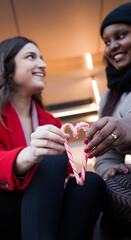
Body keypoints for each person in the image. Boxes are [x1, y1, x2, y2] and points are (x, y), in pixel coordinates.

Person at [0, 36, 106, 240]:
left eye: (42, 58)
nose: (43, 65)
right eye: (31, 57)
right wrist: (29, 155)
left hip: (43, 213)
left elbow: (60, 175)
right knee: (52, 155)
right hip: (7, 208)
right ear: (7, 66)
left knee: (91, 183)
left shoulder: (51, 122)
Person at [84, 2, 131, 239]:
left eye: (121, 36)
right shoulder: (108, 98)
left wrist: (127, 126)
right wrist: (110, 168)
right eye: (106, 42)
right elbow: (106, 155)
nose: (112, 46)